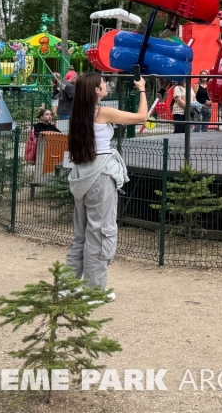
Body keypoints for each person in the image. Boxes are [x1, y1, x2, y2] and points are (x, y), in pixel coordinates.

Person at [67, 73, 147, 297]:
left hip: (81, 173)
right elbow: (142, 117)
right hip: (100, 175)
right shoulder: (102, 113)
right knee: (100, 232)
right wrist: (141, 89)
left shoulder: (78, 114)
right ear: (95, 90)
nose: (106, 85)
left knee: (81, 234)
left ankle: (65, 286)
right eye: (103, 83)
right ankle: (94, 291)